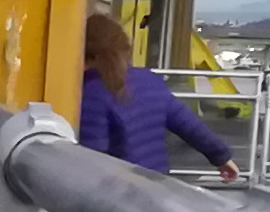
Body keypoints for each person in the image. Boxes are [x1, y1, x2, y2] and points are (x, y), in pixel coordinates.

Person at [76, 12, 239, 178]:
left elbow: (91, 159)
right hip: (156, 184)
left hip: (117, 192)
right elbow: (188, 124)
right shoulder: (149, 80)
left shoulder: (91, 92)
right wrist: (222, 157)